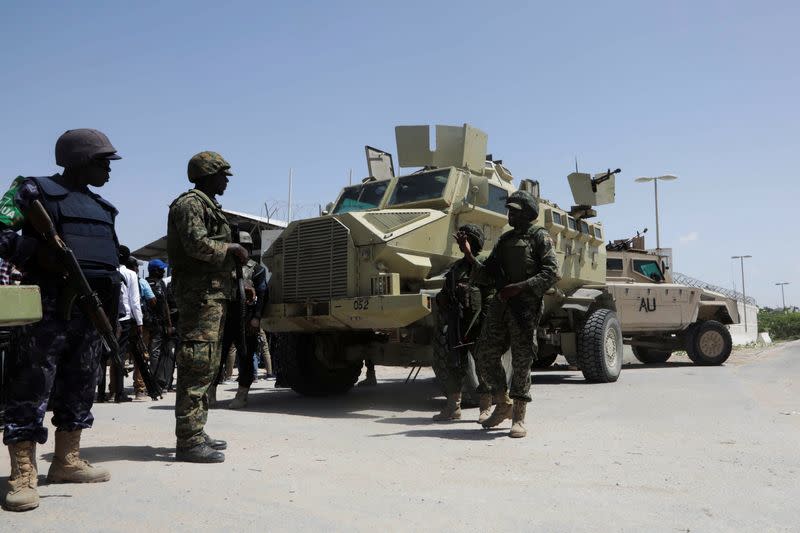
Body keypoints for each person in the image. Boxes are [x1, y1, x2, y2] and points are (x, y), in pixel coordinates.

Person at [0, 128, 122, 511]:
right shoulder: (31, 191)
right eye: (104, 161)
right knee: (29, 387)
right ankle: (23, 473)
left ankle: (66, 461)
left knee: (81, 384)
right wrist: (34, 252)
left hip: (89, 312)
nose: (109, 170)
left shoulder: (103, 208)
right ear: (81, 159)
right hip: (46, 313)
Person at [456, 190, 559, 438]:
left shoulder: (539, 238)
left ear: (526, 213)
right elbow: (488, 272)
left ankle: (519, 418)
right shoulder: (505, 241)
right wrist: (469, 255)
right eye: (509, 209)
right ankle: (503, 404)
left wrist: (520, 287)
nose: (509, 214)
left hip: (525, 307)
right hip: (501, 306)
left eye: (513, 210)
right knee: (484, 354)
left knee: (522, 361)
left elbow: (553, 273)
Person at [167, 151, 248, 463]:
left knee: (209, 364)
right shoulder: (190, 204)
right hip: (198, 296)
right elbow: (196, 244)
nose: (226, 181)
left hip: (213, 295)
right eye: (222, 175)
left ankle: (196, 431)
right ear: (208, 174)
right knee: (196, 364)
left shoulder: (208, 205)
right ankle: (188, 441)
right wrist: (231, 247)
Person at [431, 224, 494, 422]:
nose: (460, 243)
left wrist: (468, 253)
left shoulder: (483, 261)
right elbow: (445, 292)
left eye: (464, 239)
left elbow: (488, 281)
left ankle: (485, 408)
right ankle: (453, 408)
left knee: (483, 367)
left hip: (479, 325)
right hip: (457, 324)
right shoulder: (457, 267)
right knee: (454, 366)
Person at [227, 231, 267, 409]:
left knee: (246, 357)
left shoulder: (256, 269)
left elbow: (263, 294)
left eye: (246, 247)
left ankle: (242, 394)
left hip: (246, 319)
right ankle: (210, 394)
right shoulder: (224, 268)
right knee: (218, 357)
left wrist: (256, 318)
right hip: (225, 318)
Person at [112, 246, 142, 403]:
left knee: (105, 356)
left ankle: (107, 391)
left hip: (108, 318)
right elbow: (134, 300)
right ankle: (119, 392)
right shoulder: (130, 274)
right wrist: (139, 321)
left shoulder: (109, 270)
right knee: (121, 355)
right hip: (125, 320)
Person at [126, 256, 155, 400]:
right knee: (141, 355)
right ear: (135, 267)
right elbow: (151, 300)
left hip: (120, 322)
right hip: (137, 323)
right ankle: (139, 389)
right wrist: (140, 322)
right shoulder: (140, 281)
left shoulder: (116, 275)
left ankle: (114, 389)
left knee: (118, 355)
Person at [144, 259, 175, 391]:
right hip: (159, 324)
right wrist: (169, 325)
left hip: (147, 323)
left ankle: (155, 382)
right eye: (161, 269)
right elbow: (165, 305)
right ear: (155, 270)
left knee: (152, 353)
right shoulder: (159, 283)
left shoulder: (143, 282)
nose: (163, 271)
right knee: (159, 353)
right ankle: (158, 382)